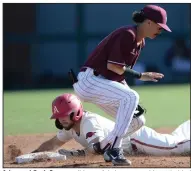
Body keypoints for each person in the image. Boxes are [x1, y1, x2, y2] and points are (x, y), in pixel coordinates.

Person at [72, 4, 171, 165]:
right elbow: (114, 66)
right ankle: (114, 150)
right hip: (89, 81)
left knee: (138, 121)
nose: (160, 31)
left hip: (104, 82)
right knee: (132, 96)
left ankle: (102, 146)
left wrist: (129, 96)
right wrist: (140, 76)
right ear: (148, 22)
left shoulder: (140, 42)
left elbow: (119, 73)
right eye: (160, 27)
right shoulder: (127, 34)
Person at [31, 94, 190, 162]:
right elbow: (52, 143)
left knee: (176, 147)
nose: (61, 118)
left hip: (137, 139)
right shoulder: (69, 126)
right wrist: (34, 155)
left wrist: (76, 154)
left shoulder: (89, 122)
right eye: (59, 116)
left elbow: (99, 148)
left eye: (65, 114)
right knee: (176, 138)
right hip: (130, 146)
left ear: (76, 112)